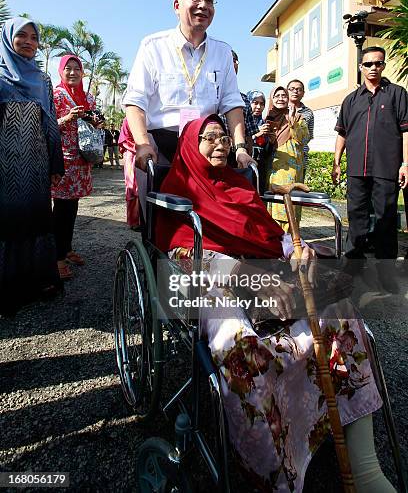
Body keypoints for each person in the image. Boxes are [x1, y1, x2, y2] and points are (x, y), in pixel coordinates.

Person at [156, 115, 394, 493]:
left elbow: (270, 233)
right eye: (208, 137)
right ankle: (278, 474)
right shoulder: (177, 191)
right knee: (242, 348)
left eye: (223, 136)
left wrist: (297, 250)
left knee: (340, 309)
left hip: (265, 270)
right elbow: (182, 253)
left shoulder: (239, 185)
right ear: (189, 146)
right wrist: (252, 276)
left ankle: (366, 468)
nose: (219, 143)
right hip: (213, 282)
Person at [123, 0, 254, 216]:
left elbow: (232, 103)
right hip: (162, 144)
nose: (204, 5)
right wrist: (142, 144)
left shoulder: (222, 52)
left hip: (206, 146)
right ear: (177, 6)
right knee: (162, 219)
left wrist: (241, 147)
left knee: (209, 216)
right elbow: (135, 100)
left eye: (210, 0)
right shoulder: (153, 46)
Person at [0, 17, 64, 314]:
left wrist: (55, 160)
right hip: (4, 165)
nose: (28, 41)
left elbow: (50, 123)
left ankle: (40, 279)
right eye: (21, 36)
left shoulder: (43, 80)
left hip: (35, 163)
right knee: (8, 222)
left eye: (33, 37)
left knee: (38, 219)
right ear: (7, 38)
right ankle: (8, 288)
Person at [332, 46, 408, 288]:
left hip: (386, 169)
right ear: (361, 67)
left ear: (383, 65)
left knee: (386, 220)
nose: (373, 67)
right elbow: (342, 133)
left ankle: (386, 274)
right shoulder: (350, 100)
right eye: (368, 64)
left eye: (378, 63)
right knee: (356, 218)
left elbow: (406, 131)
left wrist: (405, 163)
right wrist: (336, 162)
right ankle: (353, 265)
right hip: (356, 169)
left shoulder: (397, 94)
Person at [52, 55, 101, 280]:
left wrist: (96, 121)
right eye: (68, 69)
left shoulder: (88, 96)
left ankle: (67, 248)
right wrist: (68, 118)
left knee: (72, 207)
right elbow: (48, 125)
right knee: (61, 208)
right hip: (63, 160)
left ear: (82, 73)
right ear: (61, 72)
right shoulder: (56, 94)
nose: (73, 73)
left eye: (77, 69)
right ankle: (57, 258)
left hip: (82, 160)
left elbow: (95, 121)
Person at [265, 86, 309, 231]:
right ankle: (276, 240)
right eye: (276, 96)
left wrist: (292, 121)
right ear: (271, 99)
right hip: (274, 167)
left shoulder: (298, 117)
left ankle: (291, 241)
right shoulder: (269, 118)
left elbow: (304, 138)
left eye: (283, 95)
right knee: (275, 201)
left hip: (292, 168)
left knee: (291, 201)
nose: (280, 98)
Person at [287, 79, 314, 180]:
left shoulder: (308, 112)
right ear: (287, 91)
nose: (295, 91)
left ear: (303, 93)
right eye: (292, 89)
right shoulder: (281, 109)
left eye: (299, 89)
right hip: (282, 157)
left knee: (298, 190)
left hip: (301, 157)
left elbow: (309, 136)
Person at [118, 118, 140, 228]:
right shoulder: (128, 120)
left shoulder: (149, 116)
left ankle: (143, 220)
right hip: (132, 155)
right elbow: (124, 140)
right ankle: (133, 221)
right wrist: (139, 148)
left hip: (146, 154)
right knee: (132, 188)